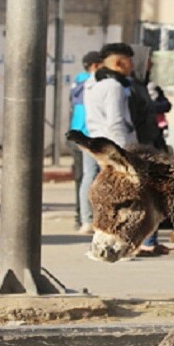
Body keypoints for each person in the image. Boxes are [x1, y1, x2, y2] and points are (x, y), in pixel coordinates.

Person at [82, 42, 137, 237]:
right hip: (114, 148)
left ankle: (104, 232)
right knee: (120, 197)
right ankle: (115, 235)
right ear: (119, 63)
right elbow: (115, 123)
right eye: (130, 61)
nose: (133, 66)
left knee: (107, 194)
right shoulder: (114, 87)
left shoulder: (93, 84)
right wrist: (123, 156)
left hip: (100, 145)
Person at [70, 50, 103, 231]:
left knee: (85, 176)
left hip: (78, 132)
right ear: (96, 66)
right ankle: (89, 218)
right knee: (92, 174)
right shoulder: (93, 82)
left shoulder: (78, 81)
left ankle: (84, 218)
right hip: (91, 132)